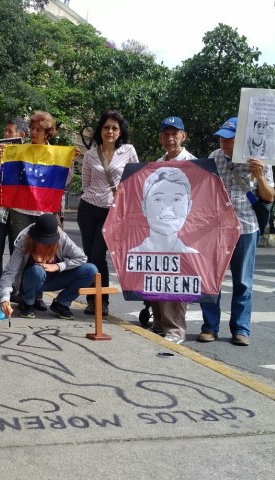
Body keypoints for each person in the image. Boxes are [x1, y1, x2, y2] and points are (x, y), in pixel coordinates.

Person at [198, 117, 275, 346]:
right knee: (212, 279)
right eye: (222, 137)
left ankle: (241, 329)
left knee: (243, 281)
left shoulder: (261, 161)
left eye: (229, 139)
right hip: (217, 228)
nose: (224, 142)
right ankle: (209, 327)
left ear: (241, 140)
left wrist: (259, 175)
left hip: (246, 226)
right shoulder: (215, 157)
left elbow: (269, 196)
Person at [7, 110, 77, 311]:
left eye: (38, 129)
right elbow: (8, 174)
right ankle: (20, 293)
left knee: (44, 253)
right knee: (21, 251)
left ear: (48, 133)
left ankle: (37, 295)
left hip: (45, 212)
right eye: (32, 128)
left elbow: (65, 181)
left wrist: (68, 162)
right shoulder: (21, 150)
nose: (33, 132)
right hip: (21, 209)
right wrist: (3, 157)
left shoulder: (56, 154)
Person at [142, 116, 198, 344]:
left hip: (183, 229)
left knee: (176, 278)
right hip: (158, 230)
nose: (170, 137)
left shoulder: (195, 165)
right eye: (166, 133)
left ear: (183, 136)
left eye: (175, 133)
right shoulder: (157, 164)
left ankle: (175, 330)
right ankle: (158, 323)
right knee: (157, 273)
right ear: (160, 138)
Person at [77, 110, 138, 316]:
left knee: (98, 255)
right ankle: (91, 300)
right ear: (100, 130)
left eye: (114, 128)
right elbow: (85, 184)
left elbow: (134, 180)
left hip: (111, 212)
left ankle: (102, 301)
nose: (110, 131)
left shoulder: (128, 151)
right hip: (88, 209)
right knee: (89, 256)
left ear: (120, 132)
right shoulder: (91, 154)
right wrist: (95, 197)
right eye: (106, 127)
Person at [0, 213, 98, 320]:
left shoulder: (62, 238)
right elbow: (10, 272)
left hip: (55, 278)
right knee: (37, 271)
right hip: (31, 281)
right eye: (41, 241)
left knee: (91, 270)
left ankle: (61, 303)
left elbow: (82, 257)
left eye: (48, 242)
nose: (44, 244)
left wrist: (58, 266)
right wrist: (5, 298)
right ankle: (28, 302)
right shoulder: (24, 240)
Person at [0, 118, 27, 303]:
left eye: (10, 131)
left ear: (21, 135)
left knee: (17, 250)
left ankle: (12, 289)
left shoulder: (30, 154)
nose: (6, 135)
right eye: (6, 131)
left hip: (20, 211)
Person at [129, 167, 198, 254]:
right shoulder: (132, 255)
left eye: (176, 199)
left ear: (189, 207)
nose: (168, 207)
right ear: (144, 207)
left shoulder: (193, 256)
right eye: (158, 199)